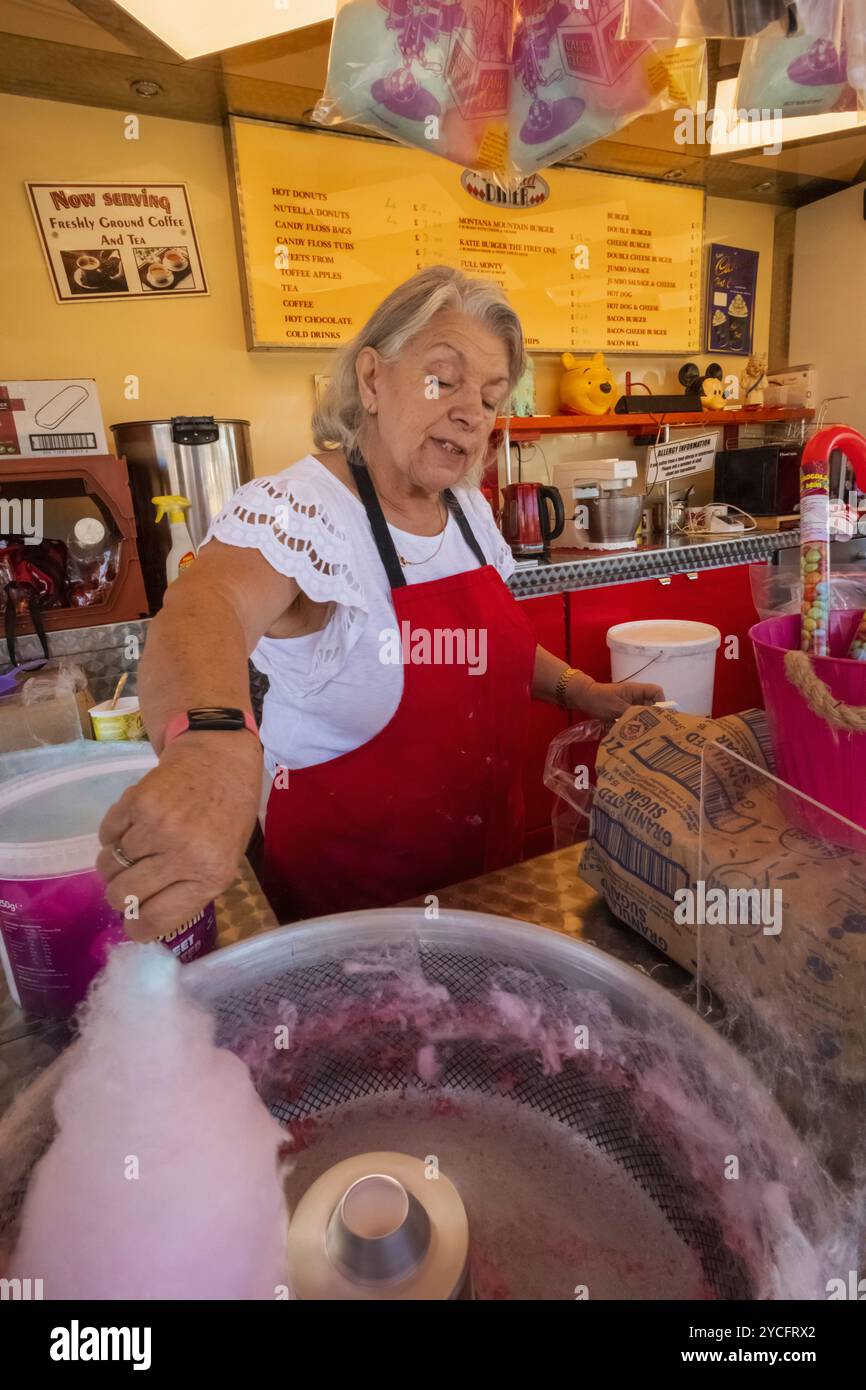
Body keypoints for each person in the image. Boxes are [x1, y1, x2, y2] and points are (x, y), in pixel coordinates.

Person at [98, 266, 662, 937]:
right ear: (371, 380)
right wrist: (208, 748)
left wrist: (577, 689)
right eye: (442, 379)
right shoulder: (305, 510)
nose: (470, 410)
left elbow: (484, 648)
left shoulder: (466, 512)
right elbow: (204, 606)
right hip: (347, 921)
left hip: (484, 888)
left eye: (489, 395)